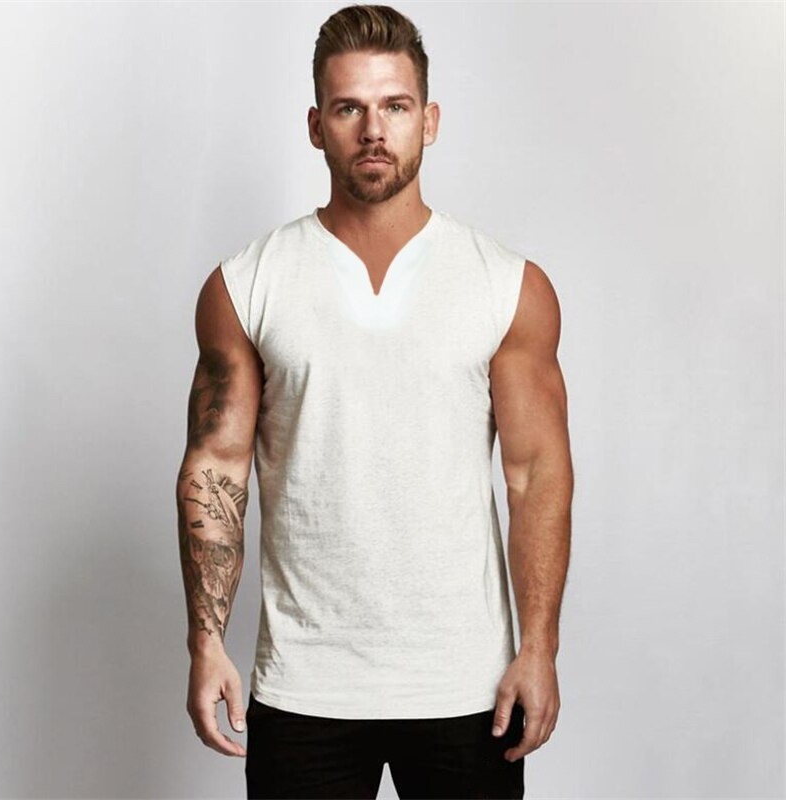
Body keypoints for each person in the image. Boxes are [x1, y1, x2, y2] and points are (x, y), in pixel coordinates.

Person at [175, 4, 573, 798]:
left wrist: (540, 648)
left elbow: (536, 476)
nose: (373, 130)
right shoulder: (247, 285)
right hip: (305, 684)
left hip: (465, 685)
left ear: (430, 119)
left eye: (394, 106)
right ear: (315, 126)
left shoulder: (507, 287)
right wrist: (206, 643)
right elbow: (216, 468)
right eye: (349, 108)